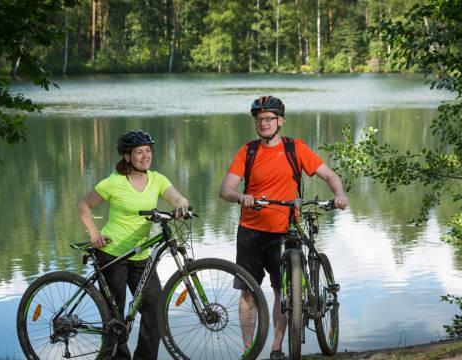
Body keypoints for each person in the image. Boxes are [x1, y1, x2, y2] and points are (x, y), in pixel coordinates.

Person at [219, 96, 348, 360]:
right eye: (259, 119)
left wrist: (339, 195)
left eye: (268, 118)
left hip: (284, 230)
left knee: (284, 292)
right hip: (250, 230)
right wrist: (239, 197)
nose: (263, 123)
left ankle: (276, 347)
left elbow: (329, 175)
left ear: (280, 121)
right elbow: (225, 189)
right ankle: (249, 350)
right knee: (247, 292)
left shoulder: (295, 148)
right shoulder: (248, 151)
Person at [78, 130, 189, 360]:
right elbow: (83, 205)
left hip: (141, 255)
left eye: (148, 151)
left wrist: (181, 206)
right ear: (127, 156)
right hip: (111, 254)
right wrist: (94, 234)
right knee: (115, 316)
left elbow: (178, 198)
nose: (145, 156)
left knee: (155, 309)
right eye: (139, 152)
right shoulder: (114, 183)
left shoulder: (157, 179)